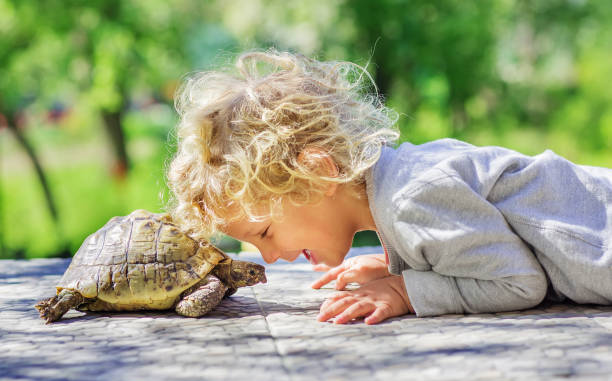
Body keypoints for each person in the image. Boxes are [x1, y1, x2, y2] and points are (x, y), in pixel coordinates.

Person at [166, 49, 612, 325]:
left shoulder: (410, 199)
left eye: (265, 233)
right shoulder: (404, 182)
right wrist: (400, 265)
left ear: (319, 174)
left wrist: (405, 291)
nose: (267, 256)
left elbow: (518, 281)